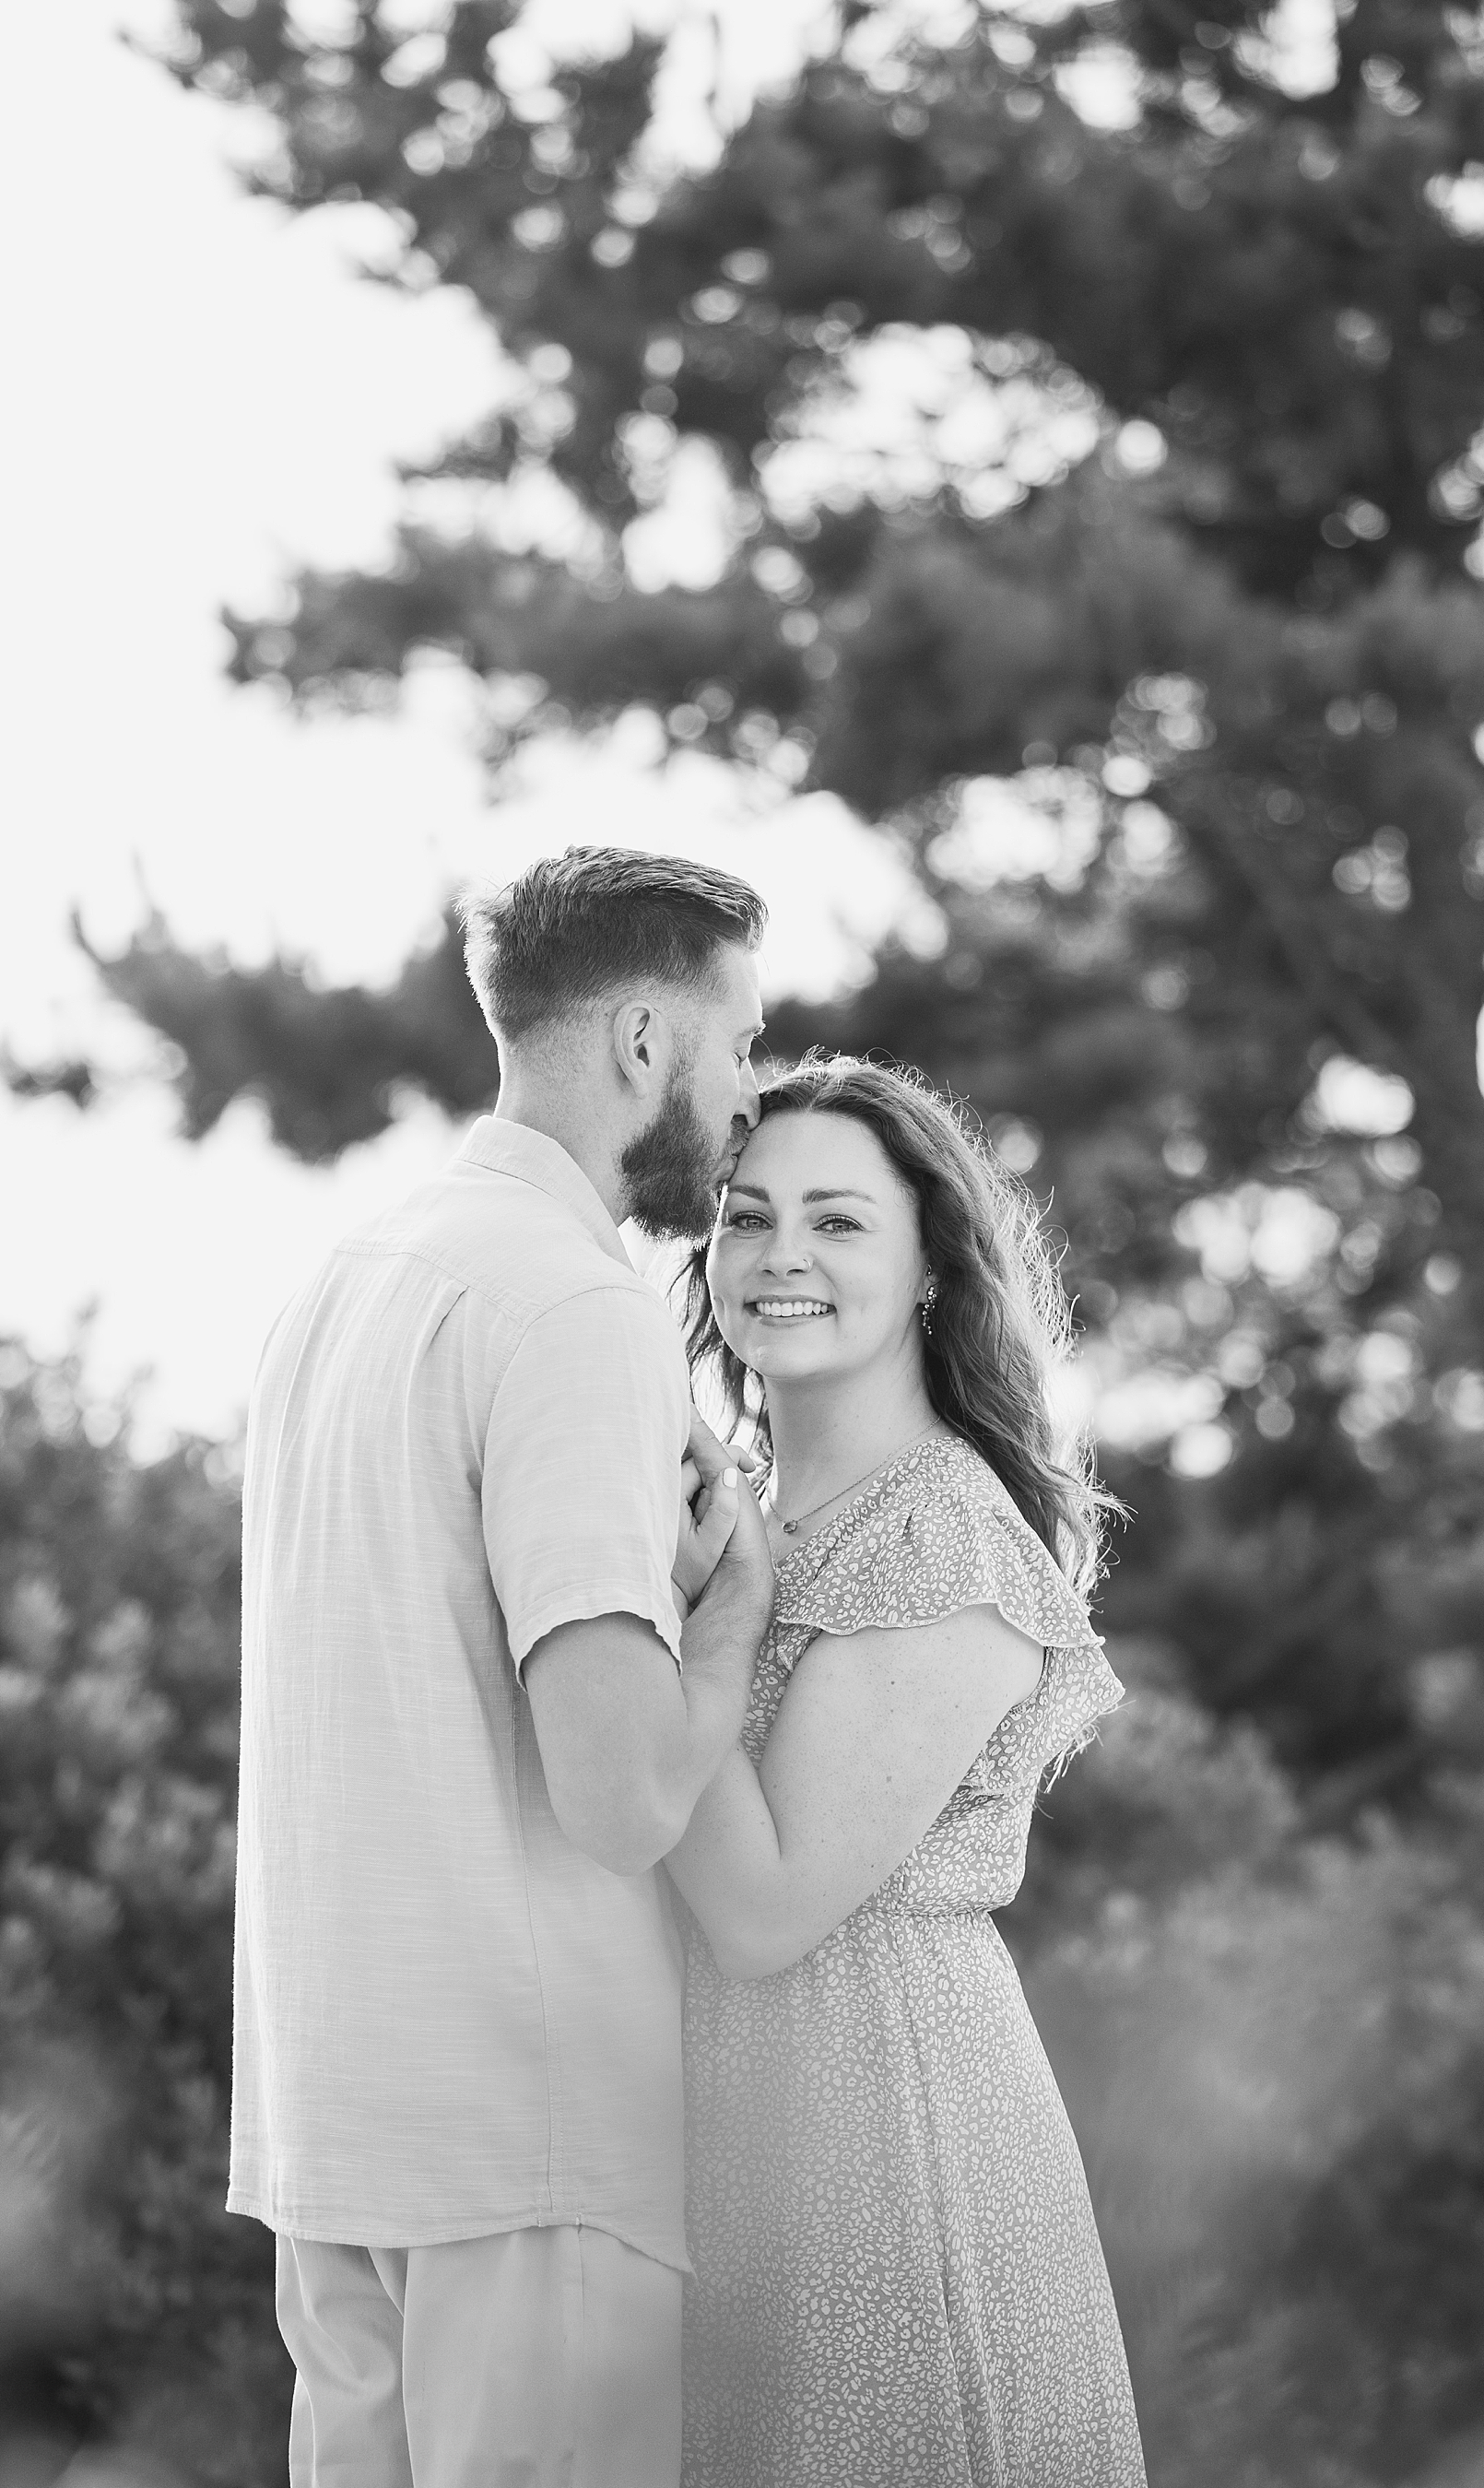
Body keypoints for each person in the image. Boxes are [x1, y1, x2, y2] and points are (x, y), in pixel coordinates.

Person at [230, 847, 774, 2488]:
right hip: (529, 2140)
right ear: (638, 1040)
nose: (745, 1096)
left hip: (338, 2118)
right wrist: (733, 1614)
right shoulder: (573, 1308)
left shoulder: (342, 1285)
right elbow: (616, 1802)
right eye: (736, 1043)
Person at [668, 1055, 1148, 2488]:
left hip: (876, 2131)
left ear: (933, 1263)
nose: (781, 1256)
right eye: (747, 1217)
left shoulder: (940, 1537)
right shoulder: (743, 1513)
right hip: (726, 2133)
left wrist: (711, 1621)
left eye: (838, 1221)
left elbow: (761, 1911)